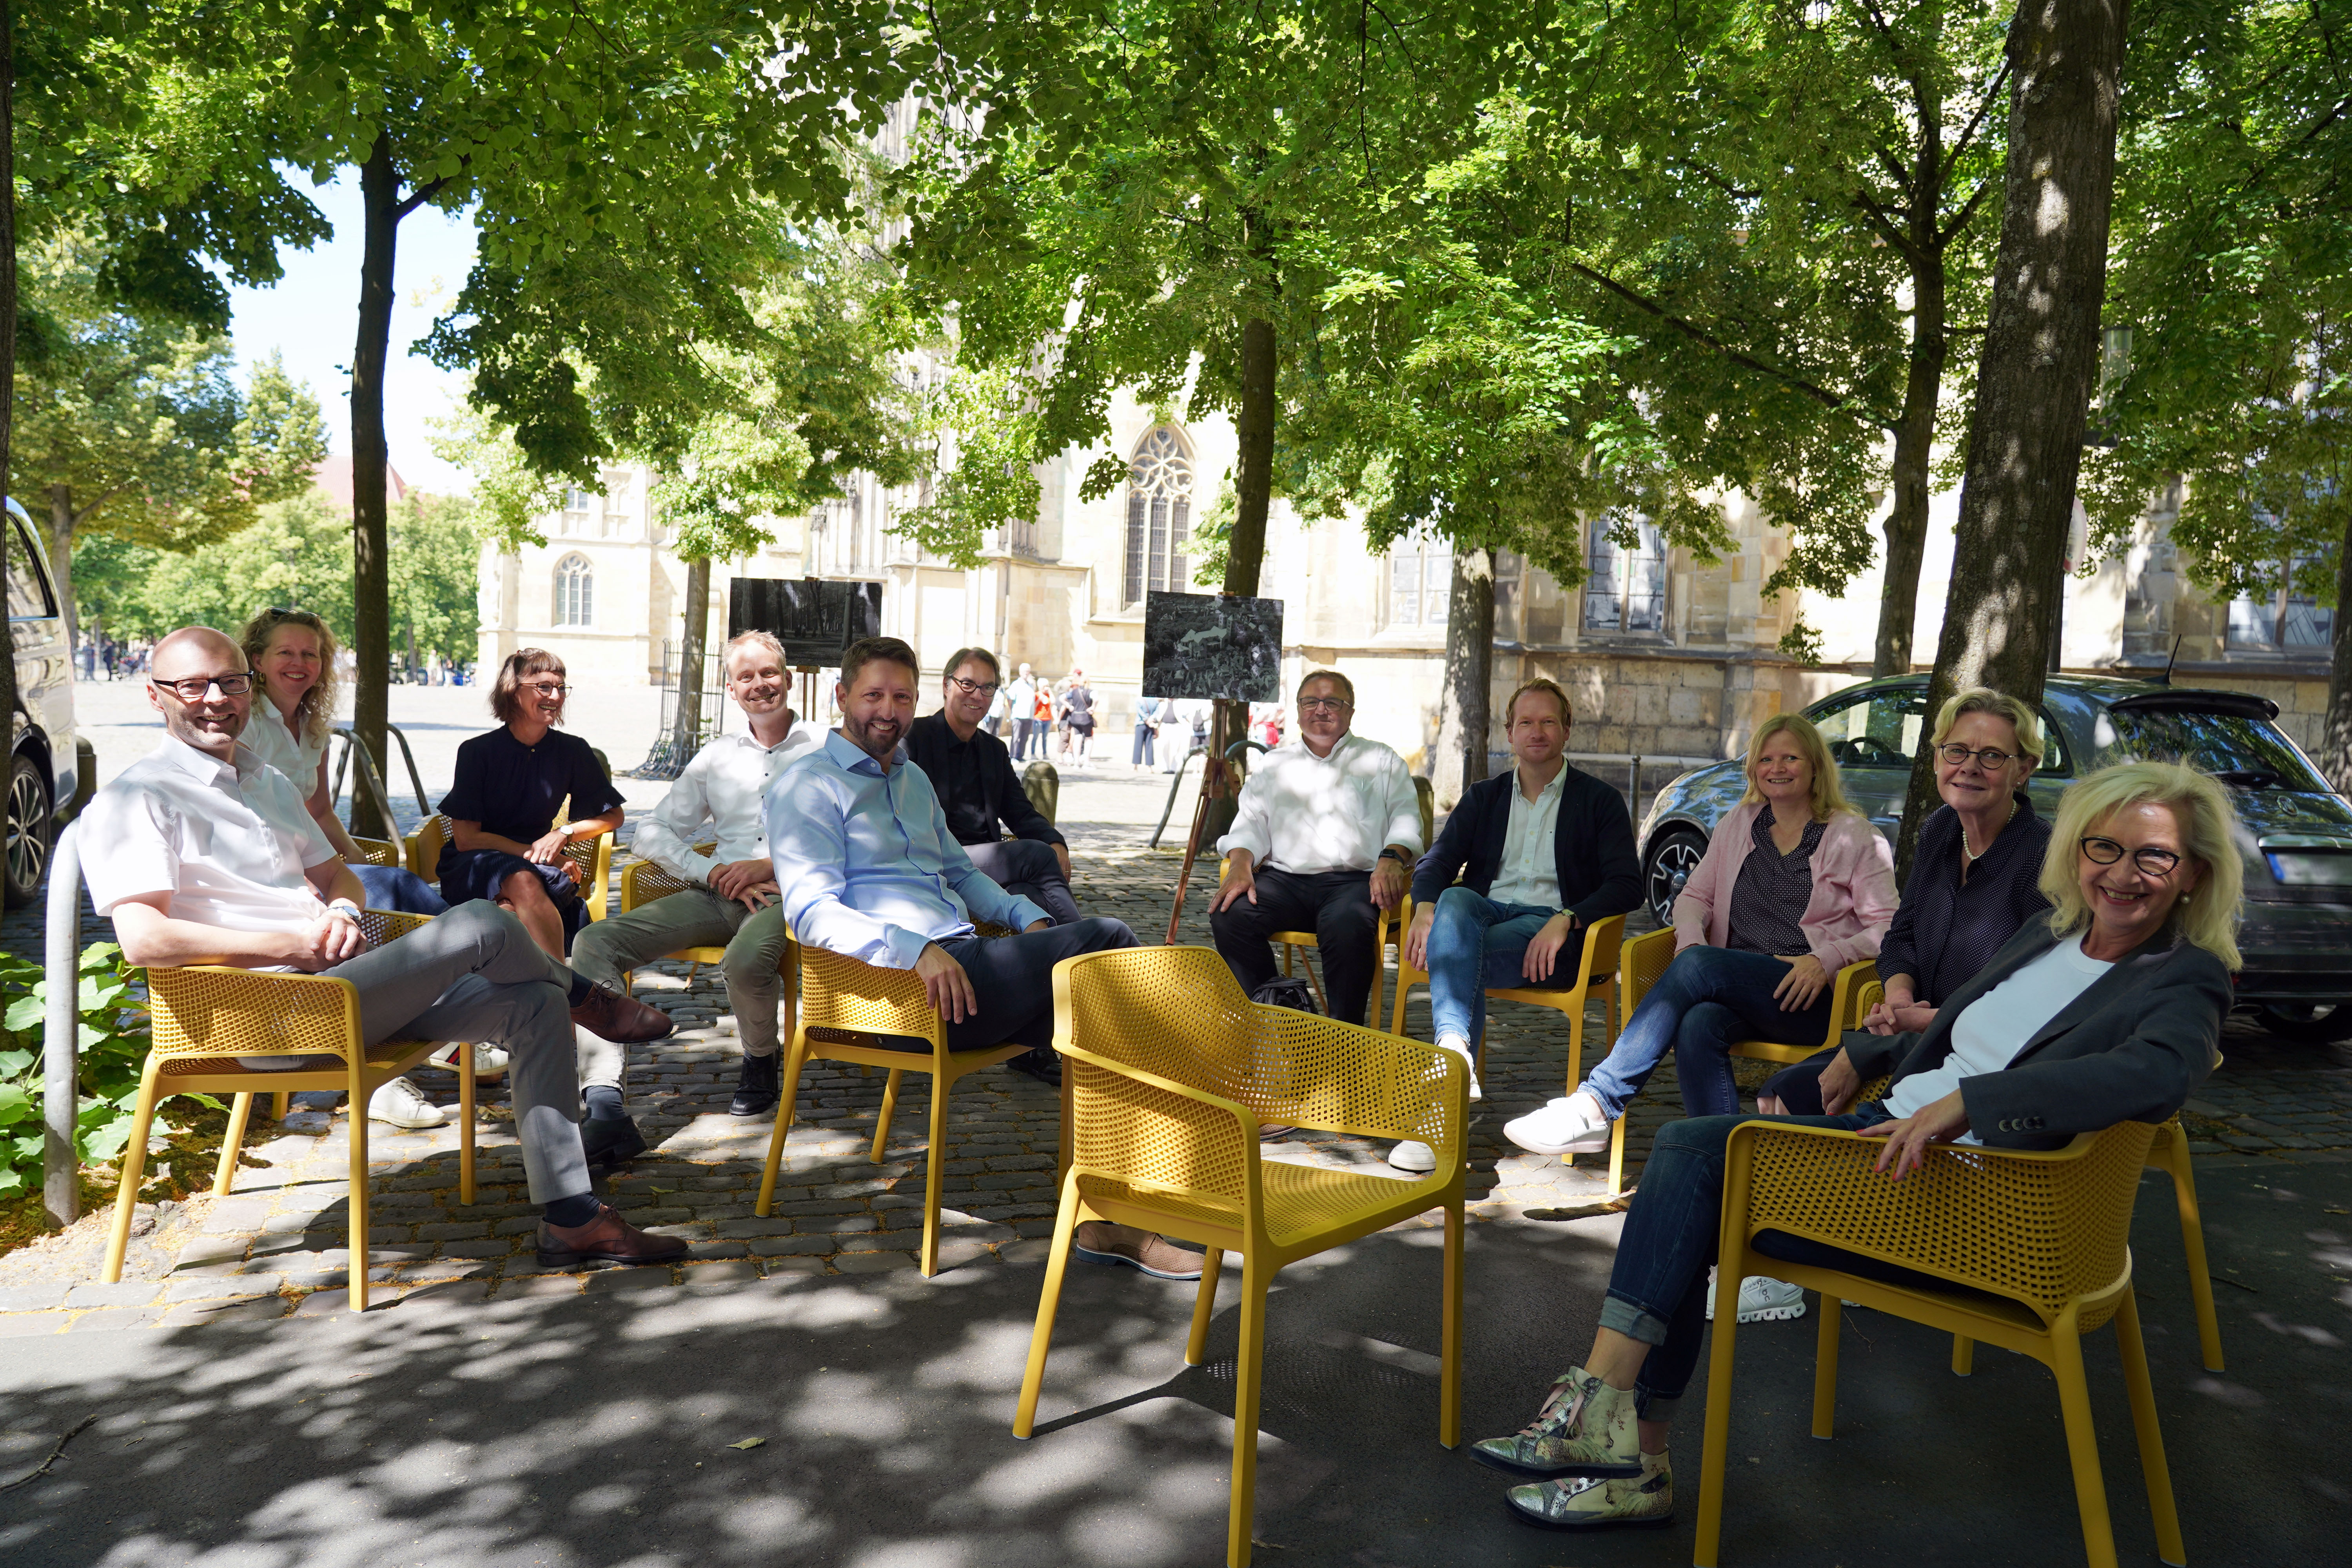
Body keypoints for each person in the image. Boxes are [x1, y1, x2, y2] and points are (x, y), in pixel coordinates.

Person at [1472, 759, 2240, 1532]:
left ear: (2195, 873)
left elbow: (2158, 1073)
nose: (2122, 873)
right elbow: (1958, 1028)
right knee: (1691, 1181)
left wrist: (1973, 1101)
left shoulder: (2186, 976)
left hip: (1967, 1194)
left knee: (1693, 1161)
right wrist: (1860, 1053)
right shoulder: (2056, 930)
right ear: (2078, 851)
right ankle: (1625, 1447)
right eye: (2103, 847)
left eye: (2155, 856)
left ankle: (1611, 1425)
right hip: (1886, 1146)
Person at [81, 627, 685, 1267]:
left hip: (345, 993)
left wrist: (342, 907)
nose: (215, 699)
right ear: (156, 695)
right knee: (482, 921)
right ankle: (588, 997)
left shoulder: (264, 780)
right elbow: (143, 938)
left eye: (230, 683)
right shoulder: (137, 795)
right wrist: (290, 939)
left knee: (532, 1003)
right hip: (262, 1013)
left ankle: (572, 1221)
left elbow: (337, 871)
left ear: (246, 687)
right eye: (192, 685)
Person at [769, 636, 1194, 1279]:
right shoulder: (806, 785)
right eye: (874, 695)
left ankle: (1111, 1215)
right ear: (841, 697)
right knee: (1106, 943)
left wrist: (1031, 919)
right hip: (896, 994)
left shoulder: (910, 778)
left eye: (902, 696)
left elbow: (960, 876)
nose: (889, 710)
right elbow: (808, 912)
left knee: (1101, 1012)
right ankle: (1203, 1116)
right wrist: (915, 949)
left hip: (968, 976)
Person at [1503, 713, 1896, 1327]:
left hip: (1811, 997)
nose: (1776, 769)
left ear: (1815, 766)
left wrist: (1826, 959)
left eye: (1790, 759)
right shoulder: (1741, 824)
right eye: (1766, 760)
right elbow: (1693, 899)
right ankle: (1735, 1197)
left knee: (1704, 979)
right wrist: (1691, 949)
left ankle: (1598, 1104)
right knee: (1697, 1023)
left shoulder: (1851, 835)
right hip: (1732, 983)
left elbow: (1888, 926)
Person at [567, 632, 823, 1159]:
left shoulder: (825, 749)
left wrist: (774, 866)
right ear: (731, 689)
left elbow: (851, 834)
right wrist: (711, 871)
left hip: (791, 897)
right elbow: (652, 831)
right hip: (718, 895)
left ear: (788, 678)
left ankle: (760, 1058)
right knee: (594, 942)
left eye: (768, 673)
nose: (760, 685)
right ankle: (605, 1100)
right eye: (747, 677)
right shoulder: (717, 757)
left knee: (745, 961)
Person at [1758, 688, 2054, 1115]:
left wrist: (1909, 1028)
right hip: (1910, 1029)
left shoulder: (2040, 856)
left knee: (1796, 1100)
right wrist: (1898, 997)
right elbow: (1902, 935)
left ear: (2023, 769)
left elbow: (2030, 998)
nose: (1968, 767)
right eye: (1956, 751)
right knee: (1775, 1093)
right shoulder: (1941, 828)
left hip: (1976, 1054)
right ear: (1937, 758)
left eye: (1992, 756)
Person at [1391, 680, 1642, 1173]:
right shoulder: (1484, 797)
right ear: (1510, 732)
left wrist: (1568, 918)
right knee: (1457, 899)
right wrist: (1425, 908)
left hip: (1551, 936)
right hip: (1484, 917)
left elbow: (1627, 884)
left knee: (1460, 951)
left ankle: (1441, 1111)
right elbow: (1438, 862)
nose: (1537, 731)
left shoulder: (1600, 801)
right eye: (1526, 722)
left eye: (1549, 721)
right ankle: (1455, 1051)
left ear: (1567, 730)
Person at [237, 607, 472, 1132]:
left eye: (311, 654)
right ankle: (416, 1058)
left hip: (312, 865)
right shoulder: (244, 723)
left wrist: (359, 866)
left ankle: (449, 1027)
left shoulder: (313, 726)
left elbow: (320, 813)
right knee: (392, 896)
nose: (300, 664)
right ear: (256, 660)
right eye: (286, 653)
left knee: (394, 887)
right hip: (271, 878)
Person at [1208, 670, 1422, 1029]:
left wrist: (1391, 858)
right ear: (1298, 711)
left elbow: (1406, 818)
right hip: (1285, 883)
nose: (1320, 710)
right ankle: (1280, 1018)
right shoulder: (1276, 764)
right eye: (1311, 702)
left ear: (1350, 712)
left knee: (1349, 925)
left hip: (1354, 884)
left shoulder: (1381, 760)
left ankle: (1343, 1035)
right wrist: (1242, 864)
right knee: (1231, 914)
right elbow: (1249, 823)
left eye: (1332, 702)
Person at [436, 649, 625, 959]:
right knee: (522, 881)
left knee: (510, 911)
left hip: (532, 869)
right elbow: (467, 839)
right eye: (544, 687)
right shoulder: (476, 752)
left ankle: (529, 995)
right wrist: (544, 857)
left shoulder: (573, 751)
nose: (556, 695)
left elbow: (614, 817)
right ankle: (565, 989)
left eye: (561, 687)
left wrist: (563, 834)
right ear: (513, 691)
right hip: (475, 865)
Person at [906, 646, 1085, 930]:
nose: (977, 695)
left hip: (987, 865)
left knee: (1030, 896)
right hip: (940, 861)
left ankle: (1061, 966)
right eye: (968, 684)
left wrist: (1055, 840)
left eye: (988, 687)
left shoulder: (994, 750)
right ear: (946, 685)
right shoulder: (914, 738)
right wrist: (1046, 850)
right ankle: (1089, 948)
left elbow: (1021, 813)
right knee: (1036, 856)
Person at [1062, 669, 1096, 766]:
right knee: (1089, 739)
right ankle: (1086, 762)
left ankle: (1076, 762)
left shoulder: (1074, 692)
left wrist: (1069, 706)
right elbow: (1097, 698)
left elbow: (1062, 698)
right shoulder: (1090, 692)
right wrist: (1093, 707)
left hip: (1075, 718)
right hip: (1086, 718)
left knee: (1077, 738)